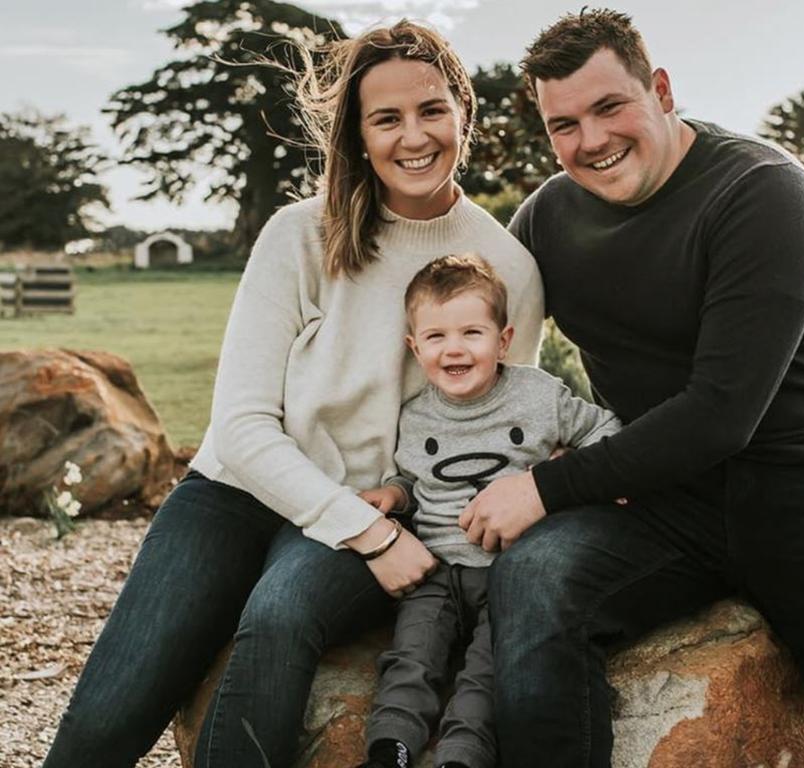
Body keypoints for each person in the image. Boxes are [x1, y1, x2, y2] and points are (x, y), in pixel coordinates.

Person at [458, 9, 804, 768]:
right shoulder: (546, 221)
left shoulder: (763, 193)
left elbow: (721, 413)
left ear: (660, 89)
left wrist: (549, 485)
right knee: (534, 577)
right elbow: (459, 321)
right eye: (564, 125)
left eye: (608, 107)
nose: (590, 141)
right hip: (662, 504)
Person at [42, 21, 543, 768]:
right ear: (357, 134)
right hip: (236, 492)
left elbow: (494, 427)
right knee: (106, 719)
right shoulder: (301, 234)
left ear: (464, 114)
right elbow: (241, 427)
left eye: (433, 110)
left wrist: (394, 517)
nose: (414, 136)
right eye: (386, 118)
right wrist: (368, 534)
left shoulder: (507, 265)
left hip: (375, 507)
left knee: (279, 613)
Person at [356, 254, 620, 768]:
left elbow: (605, 429)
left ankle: (462, 755)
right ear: (414, 347)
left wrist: (565, 470)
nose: (453, 349)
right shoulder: (415, 415)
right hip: (436, 571)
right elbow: (414, 480)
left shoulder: (537, 395)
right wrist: (394, 496)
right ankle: (392, 748)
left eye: (471, 333)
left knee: (486, 670)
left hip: (508, 571)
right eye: (435, 337)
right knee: (411, 658)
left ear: (502, 340)